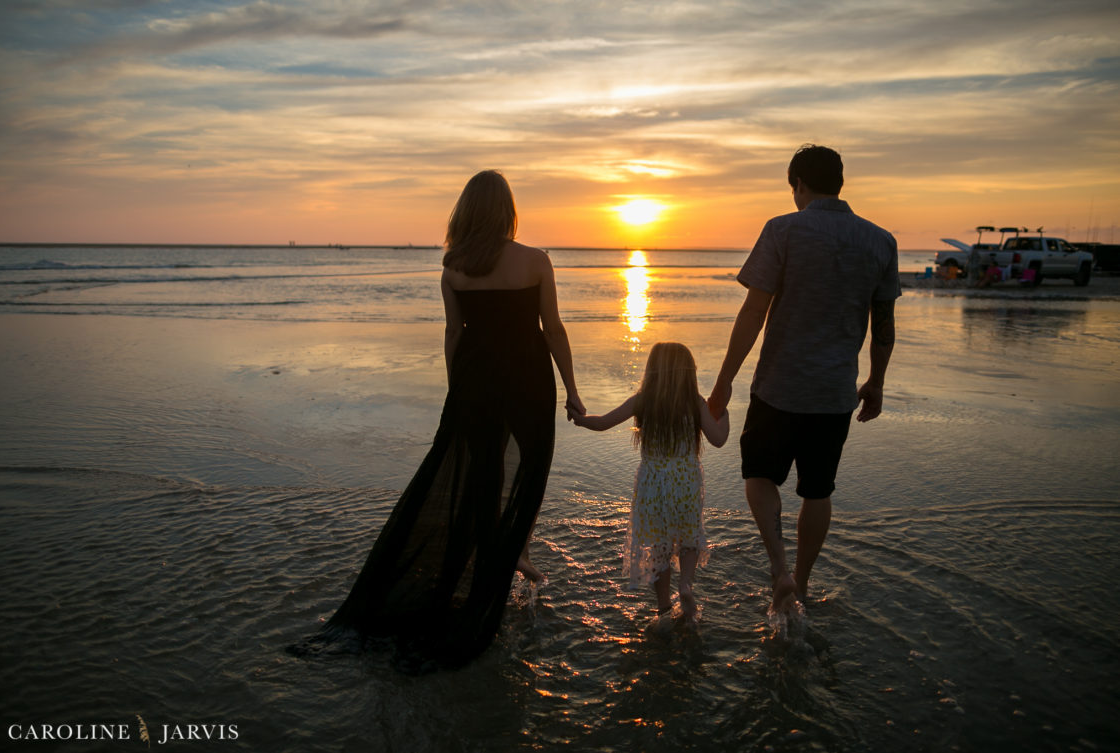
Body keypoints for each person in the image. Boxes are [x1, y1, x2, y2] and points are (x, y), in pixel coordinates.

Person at [299, 170, 584, 671]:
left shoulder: (454, 268)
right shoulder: (536, 261)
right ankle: (510, 555)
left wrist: (458, 390)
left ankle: (496, 561)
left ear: (467, 211)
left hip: (475, 380)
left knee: (483, 476)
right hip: (528, 380)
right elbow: (553, 329)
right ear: (508, 210)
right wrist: (573, 391)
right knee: (533, 466)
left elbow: (454, 334)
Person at [707, 144, 899, 615]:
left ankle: (779, 570)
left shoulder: (783, 229)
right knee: (818, 490)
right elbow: (884, 324)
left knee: (758, 475)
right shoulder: (881, 241)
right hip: (835, 393)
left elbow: (754, 311)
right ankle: (803, 584)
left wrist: (725, 378)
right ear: (839, 183)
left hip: (778, 386)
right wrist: (876, 381)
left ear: (798, 184)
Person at [570, 342, 729, 629]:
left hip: (653, 485)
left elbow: (603, 422)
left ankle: (664, 607)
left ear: (652, 370)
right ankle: (686, 586)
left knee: (659, 545)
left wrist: (581, 420)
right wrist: (724, 414)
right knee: (689, 537)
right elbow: (718, 439)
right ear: (688, 373)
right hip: (686, 483)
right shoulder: (694, 401)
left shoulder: (643, 401)